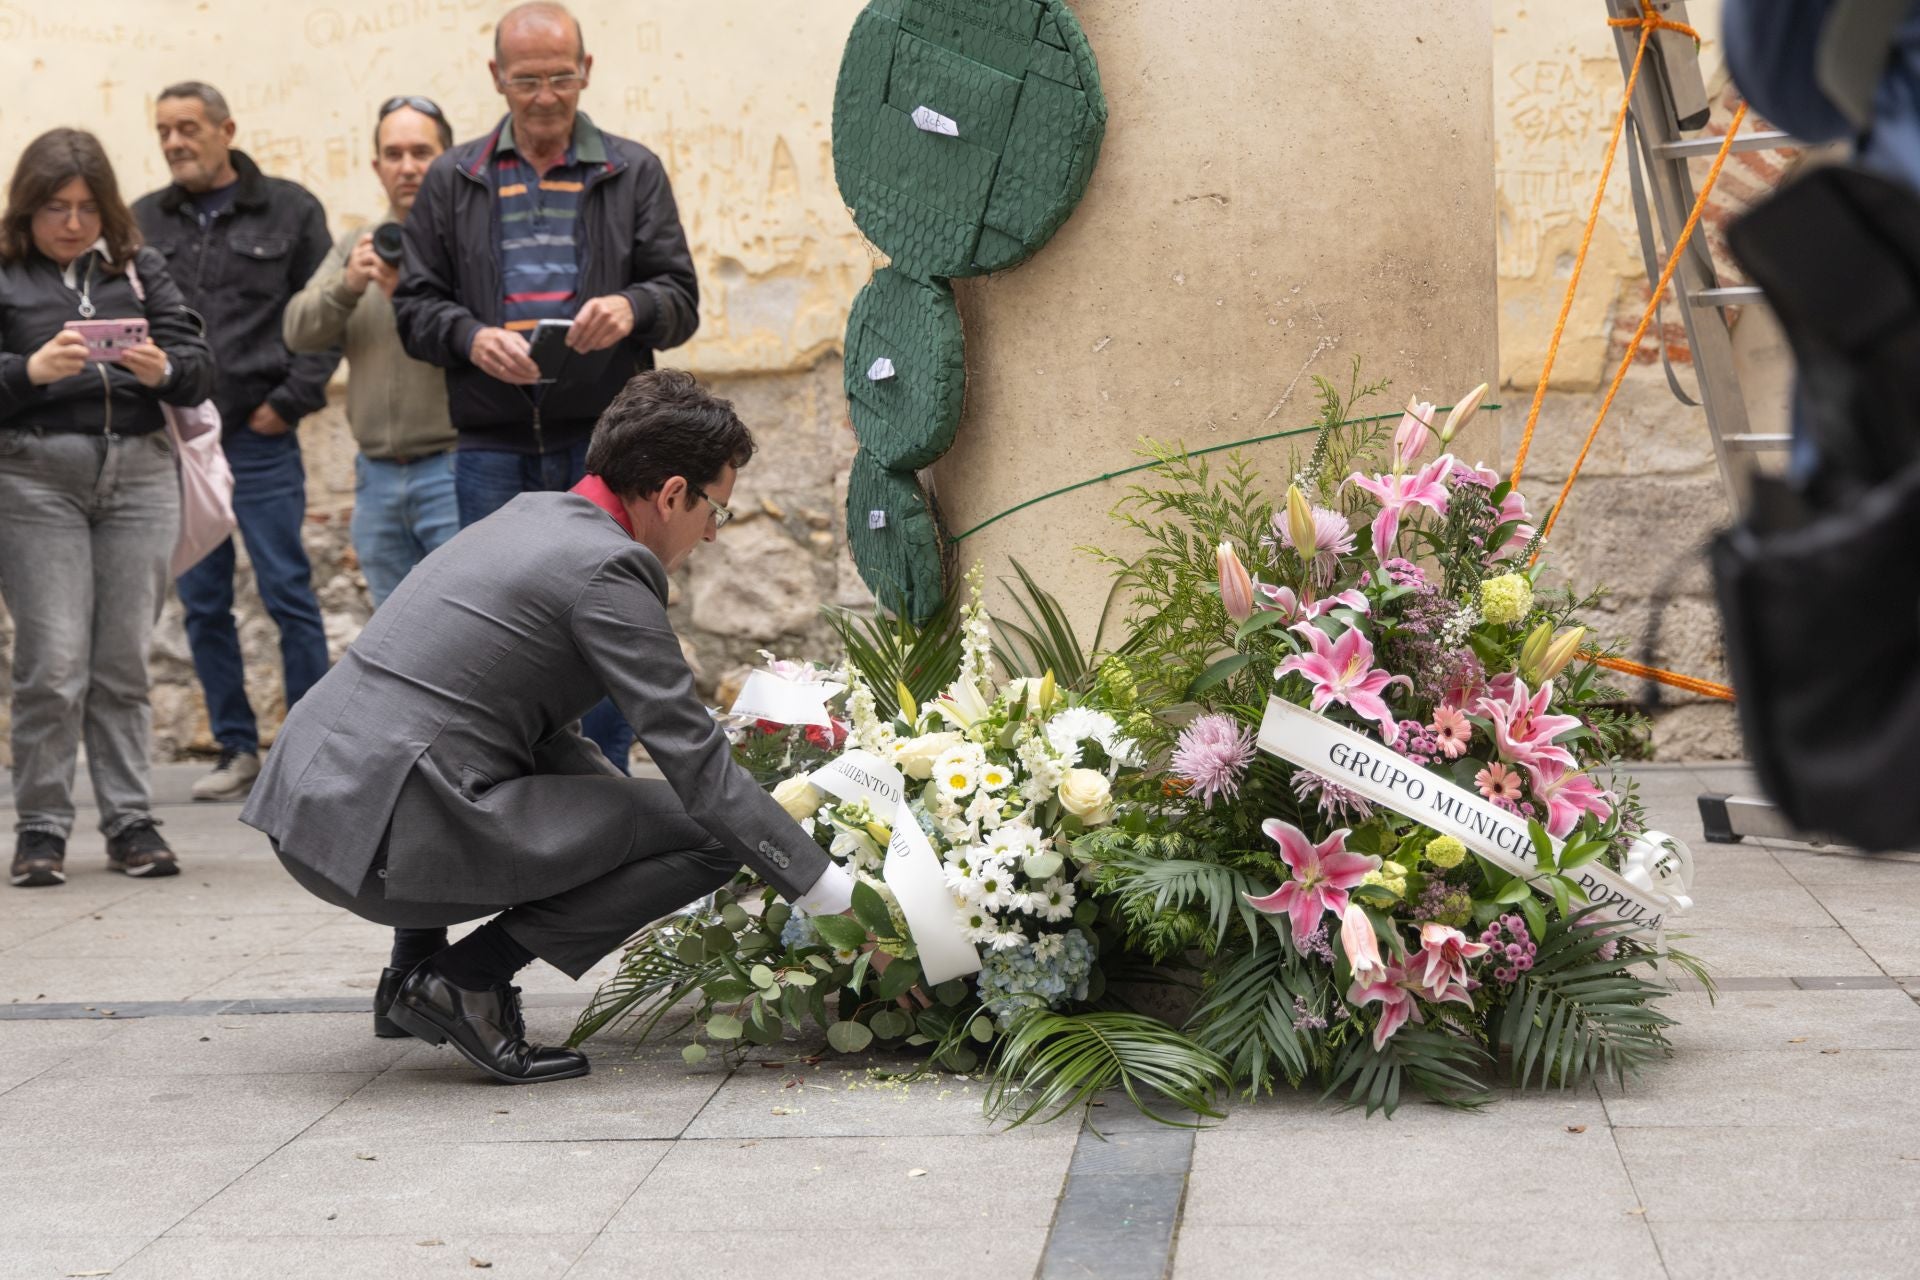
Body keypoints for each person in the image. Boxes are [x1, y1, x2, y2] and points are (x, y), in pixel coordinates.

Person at [240, 370, 853, 1081]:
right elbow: (699, 769)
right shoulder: (611, 570)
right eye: (717, 509)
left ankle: (407, 981)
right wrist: (824, 887)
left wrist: (620, 831)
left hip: (315, 812)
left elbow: (522, 724)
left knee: (481, 744)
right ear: (672, 495)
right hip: (381, 842)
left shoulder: (528, 517)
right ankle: (464, 981)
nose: (713, 534)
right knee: (711, 836)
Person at [393, 0, 700, 773]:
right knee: (495, 625)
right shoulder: (451, 176)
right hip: (493, 439)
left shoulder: (632, 170)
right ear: (496, 78)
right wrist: (470, 337)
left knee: (614, 618)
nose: (545, 97)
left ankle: (610, 783)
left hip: (608, 444)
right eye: (527, 80)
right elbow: (415, 307)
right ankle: (508, 784)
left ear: (586, 72)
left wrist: (632, 308)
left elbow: (680, 298)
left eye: (561, 78)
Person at [1, 128, 216, 887]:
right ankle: (41, 828)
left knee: (123, 660)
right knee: (53, 664)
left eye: (88, 207)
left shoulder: (137, 264)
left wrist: (163, 368)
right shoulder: (6, 271)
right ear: (26, 207)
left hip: (138, 475)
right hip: (34, 477)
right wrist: (29, 370)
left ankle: (131, 819)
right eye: (55, 207)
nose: (71, 223)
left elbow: (197, 366)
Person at [132, 81, 341, 803]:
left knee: (287, 589)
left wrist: (289, 404)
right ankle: (235, 748)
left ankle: (313, 752)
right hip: (185, 440)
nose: (174, 142)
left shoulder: (290, 209)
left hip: (259, 436)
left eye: (188, 128)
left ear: (226, 129)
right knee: (201, 596)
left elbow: (324, 317)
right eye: (163, 130)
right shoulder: (141, 222)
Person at [284, 96, 460, 607]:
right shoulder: (358, 245)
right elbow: (297, 331)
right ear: (376, 166)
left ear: (448, 158)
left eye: (421, 152)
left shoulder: (466, 238)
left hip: (449, 470)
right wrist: (348, 284)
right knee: (392, 639)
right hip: (377, 477)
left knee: (462, 632)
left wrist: (408, 295)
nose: (407, 167)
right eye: (394, 154)